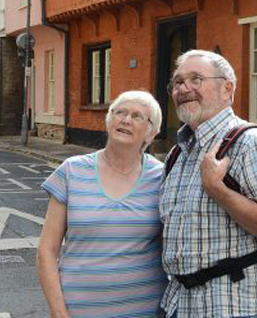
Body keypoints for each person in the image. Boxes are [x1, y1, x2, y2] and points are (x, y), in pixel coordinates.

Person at [160, 49, 257, 318]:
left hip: (237, 305)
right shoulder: (178, 153)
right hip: (181, 305)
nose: (184, 88)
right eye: (178, 82)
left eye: (196, 79)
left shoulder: (252, 143)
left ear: (227, 89)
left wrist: (218, 189)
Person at [38, 90, 166, 317]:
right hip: (77, 309)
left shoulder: (163, 177)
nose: (126, 120)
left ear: (151, 132)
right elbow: (47, 250)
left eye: (137, 116)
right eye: (120, 113)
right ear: (108, 122)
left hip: (144, 309)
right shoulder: (72, 170)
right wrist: (58, 312)